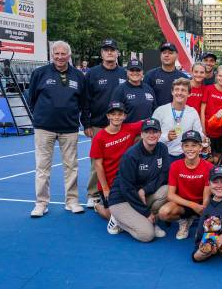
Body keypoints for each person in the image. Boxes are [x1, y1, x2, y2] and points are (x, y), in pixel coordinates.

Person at [29, 41, 87, 217]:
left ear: (69, 56)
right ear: (51, 55)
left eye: (64, 54)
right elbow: (31, 99)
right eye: (57, 54)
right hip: (44, 128)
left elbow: (83, 102)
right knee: (42, 167)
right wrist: (43, 116)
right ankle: (41, 203)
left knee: (71, 166)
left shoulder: (78, 76)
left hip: (69, 128)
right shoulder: (39, 73)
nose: (60, 57)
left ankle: (72, 201)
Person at [107, 118, 170, 242]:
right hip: (122, 199)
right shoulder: (131, 155)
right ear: (141, 134)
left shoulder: (162, 148)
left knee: (168, 190)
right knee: (147, 235)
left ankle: (144, 219)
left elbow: (164, 174)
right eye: (147, 132)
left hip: (142, 195)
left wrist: (144, 190)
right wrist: (147, 213)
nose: (151, 135)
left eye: (155, 131)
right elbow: (127, 189)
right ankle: (118, 220)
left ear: (160, 133)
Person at [82, 38, 127, 208]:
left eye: (112, 50)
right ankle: (93, 194)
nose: (109, 52)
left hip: (120, 125)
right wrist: (86, 123)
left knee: (120, 161)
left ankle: (118, 190)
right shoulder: (92, 73)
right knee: (97, 162)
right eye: (106, 50)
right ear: (102, 53)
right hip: (99, 125)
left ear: (117, 53)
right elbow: (85, 100)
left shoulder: (124, 73)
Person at [89, 101, 142, 222]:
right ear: (108, 116)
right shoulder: (99, 137)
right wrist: (105, 188)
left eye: (120, 114)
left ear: (124, 116)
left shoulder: (130, 128)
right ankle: (98, 206)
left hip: (127, 181)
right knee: (112, 217)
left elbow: (150, 122)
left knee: (132, 212)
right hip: (109, 183)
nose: (116, 117)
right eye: (113, 114)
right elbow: (98, 165)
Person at [158, 130, 212, 240]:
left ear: (200, 148)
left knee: (208, 229)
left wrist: (202, 210)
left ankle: (201, 223)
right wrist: (192, 205)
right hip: (183, 204)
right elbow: (171, 195)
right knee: (163, 213)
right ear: (182, 148)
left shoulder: (209, 167)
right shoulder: (175, 165)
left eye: (194, 145)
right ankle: (184, 221)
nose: (190, 149)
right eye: (186, 145)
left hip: (202, 205)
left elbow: (206, 197)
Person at [152, 78, 203, 163]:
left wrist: (204, 140)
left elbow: (199, 134)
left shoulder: (192, 112)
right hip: (163, 155)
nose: (179, 93)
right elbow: (151, 136)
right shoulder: (160, 111)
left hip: (186, 156)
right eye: (177, 89)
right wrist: (166, 137)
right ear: (172, 92)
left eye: (183, 90)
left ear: (189, 94)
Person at [201, 65, 222, 159]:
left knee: (218, 159)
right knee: (207, 158)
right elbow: (202, 110)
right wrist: (203, 130)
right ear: (216, 76)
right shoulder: (209, 89)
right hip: (208, 131)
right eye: (220, 76)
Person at [144, 42, 191, 106]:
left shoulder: (183, 78)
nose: (166, 55)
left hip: (177, 115)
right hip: (156, 114)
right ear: (160, 56)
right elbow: (144, 99)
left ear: (177, 56)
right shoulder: (150, 75)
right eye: (164, 53)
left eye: (170, 53)